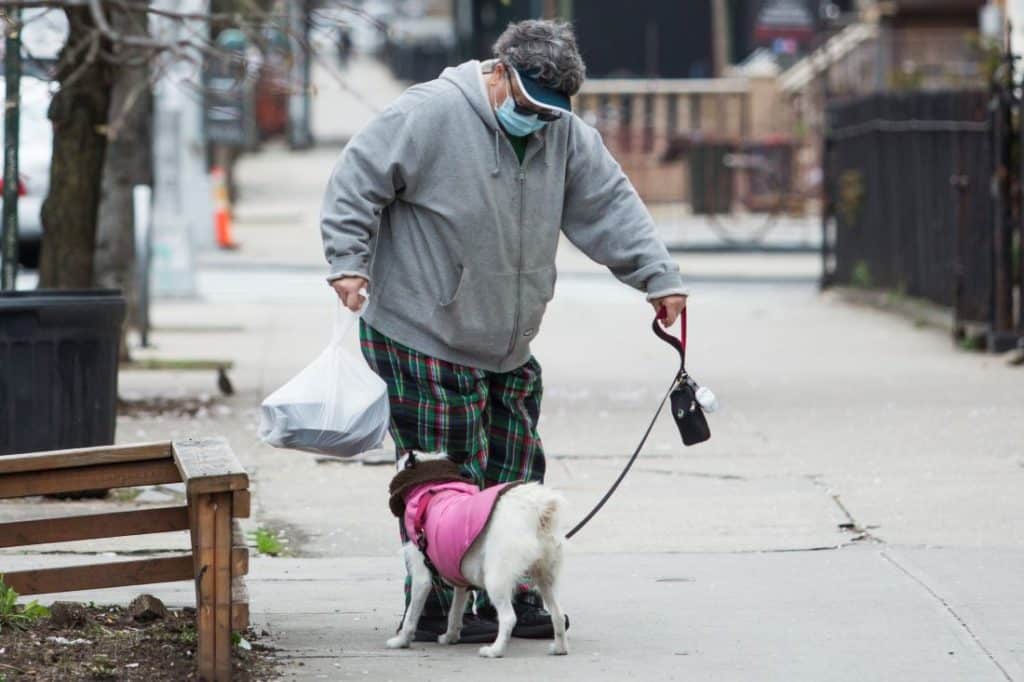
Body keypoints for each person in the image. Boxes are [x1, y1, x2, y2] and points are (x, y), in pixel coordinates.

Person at [320, 19, 687, 643]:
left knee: (514, 469)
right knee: (444, 477)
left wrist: (658, 277)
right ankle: (433, 603)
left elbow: (609, 203)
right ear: (499, 73)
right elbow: (356, 181)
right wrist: (348, 262)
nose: (537, 120)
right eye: (529, 105)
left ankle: (507, 595)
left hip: (507, 341)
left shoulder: (562, 132)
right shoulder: (430, 112)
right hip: (420, 327)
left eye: (550, 112)